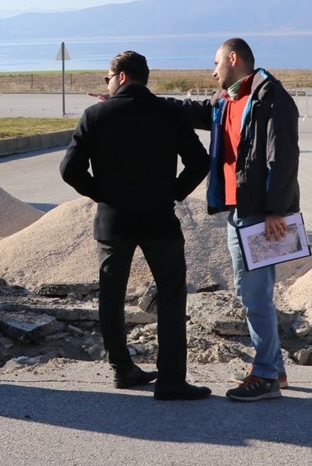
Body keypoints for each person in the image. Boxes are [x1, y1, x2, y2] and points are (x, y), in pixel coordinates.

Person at [60, 51, 212, 400]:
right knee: (171, 295)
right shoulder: (169, 113)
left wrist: (102, 194)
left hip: (114, 220)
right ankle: (171, 380)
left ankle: (122, 368)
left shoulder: (95, 115)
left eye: (107, 78)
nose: (107, 83)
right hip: (159, 219)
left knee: (111, 295)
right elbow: (199, 162)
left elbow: (69, 170)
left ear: (122, 76)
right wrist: (174, 192)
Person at [178, 38, 299, 402]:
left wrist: (276, 210)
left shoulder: (269, 98)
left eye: (216, 63)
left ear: (233, 59)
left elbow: (283, 156)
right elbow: (193, 111)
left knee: (253, 295)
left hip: (260, 215)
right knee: (254, 293)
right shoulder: (228, 99)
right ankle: (274, 368)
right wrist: (138, 101)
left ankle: (265, 376)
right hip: (239, 210)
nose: (212, 71)